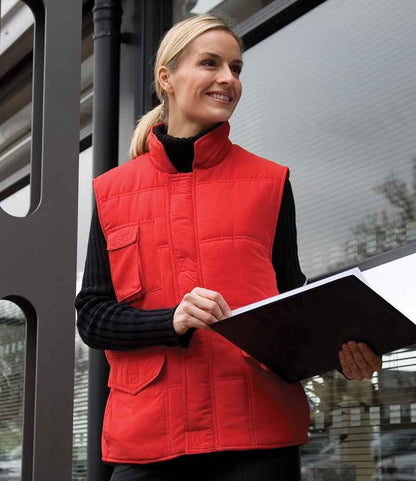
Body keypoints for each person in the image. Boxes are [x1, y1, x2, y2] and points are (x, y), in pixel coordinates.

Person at [75, 13, 382, 481]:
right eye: (210, 63)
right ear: (166, 78)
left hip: (257, 437)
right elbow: (94, 317)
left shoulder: (269, 182)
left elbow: (293, 307)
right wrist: (170, 320)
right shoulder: (112, 192)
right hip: (149, 440)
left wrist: (342, 352)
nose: (228, 79)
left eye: (235, 68)